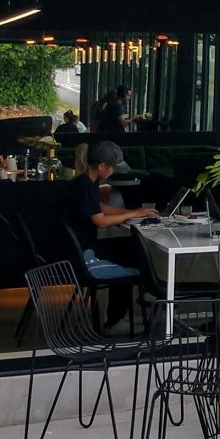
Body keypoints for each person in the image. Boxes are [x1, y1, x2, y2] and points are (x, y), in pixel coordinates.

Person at [69, 139, 156, 330]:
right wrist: (132, 214)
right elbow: (100, 221)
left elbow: (99, 208)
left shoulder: (86, 182)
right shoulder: (84, 186)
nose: (114, 172)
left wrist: (134, 212)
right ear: (102, 166)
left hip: (80, 247)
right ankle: (119, 316)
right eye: (113, 168)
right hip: (82, 253)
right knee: (131, 254)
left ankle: (134, 302)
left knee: (130, 248)